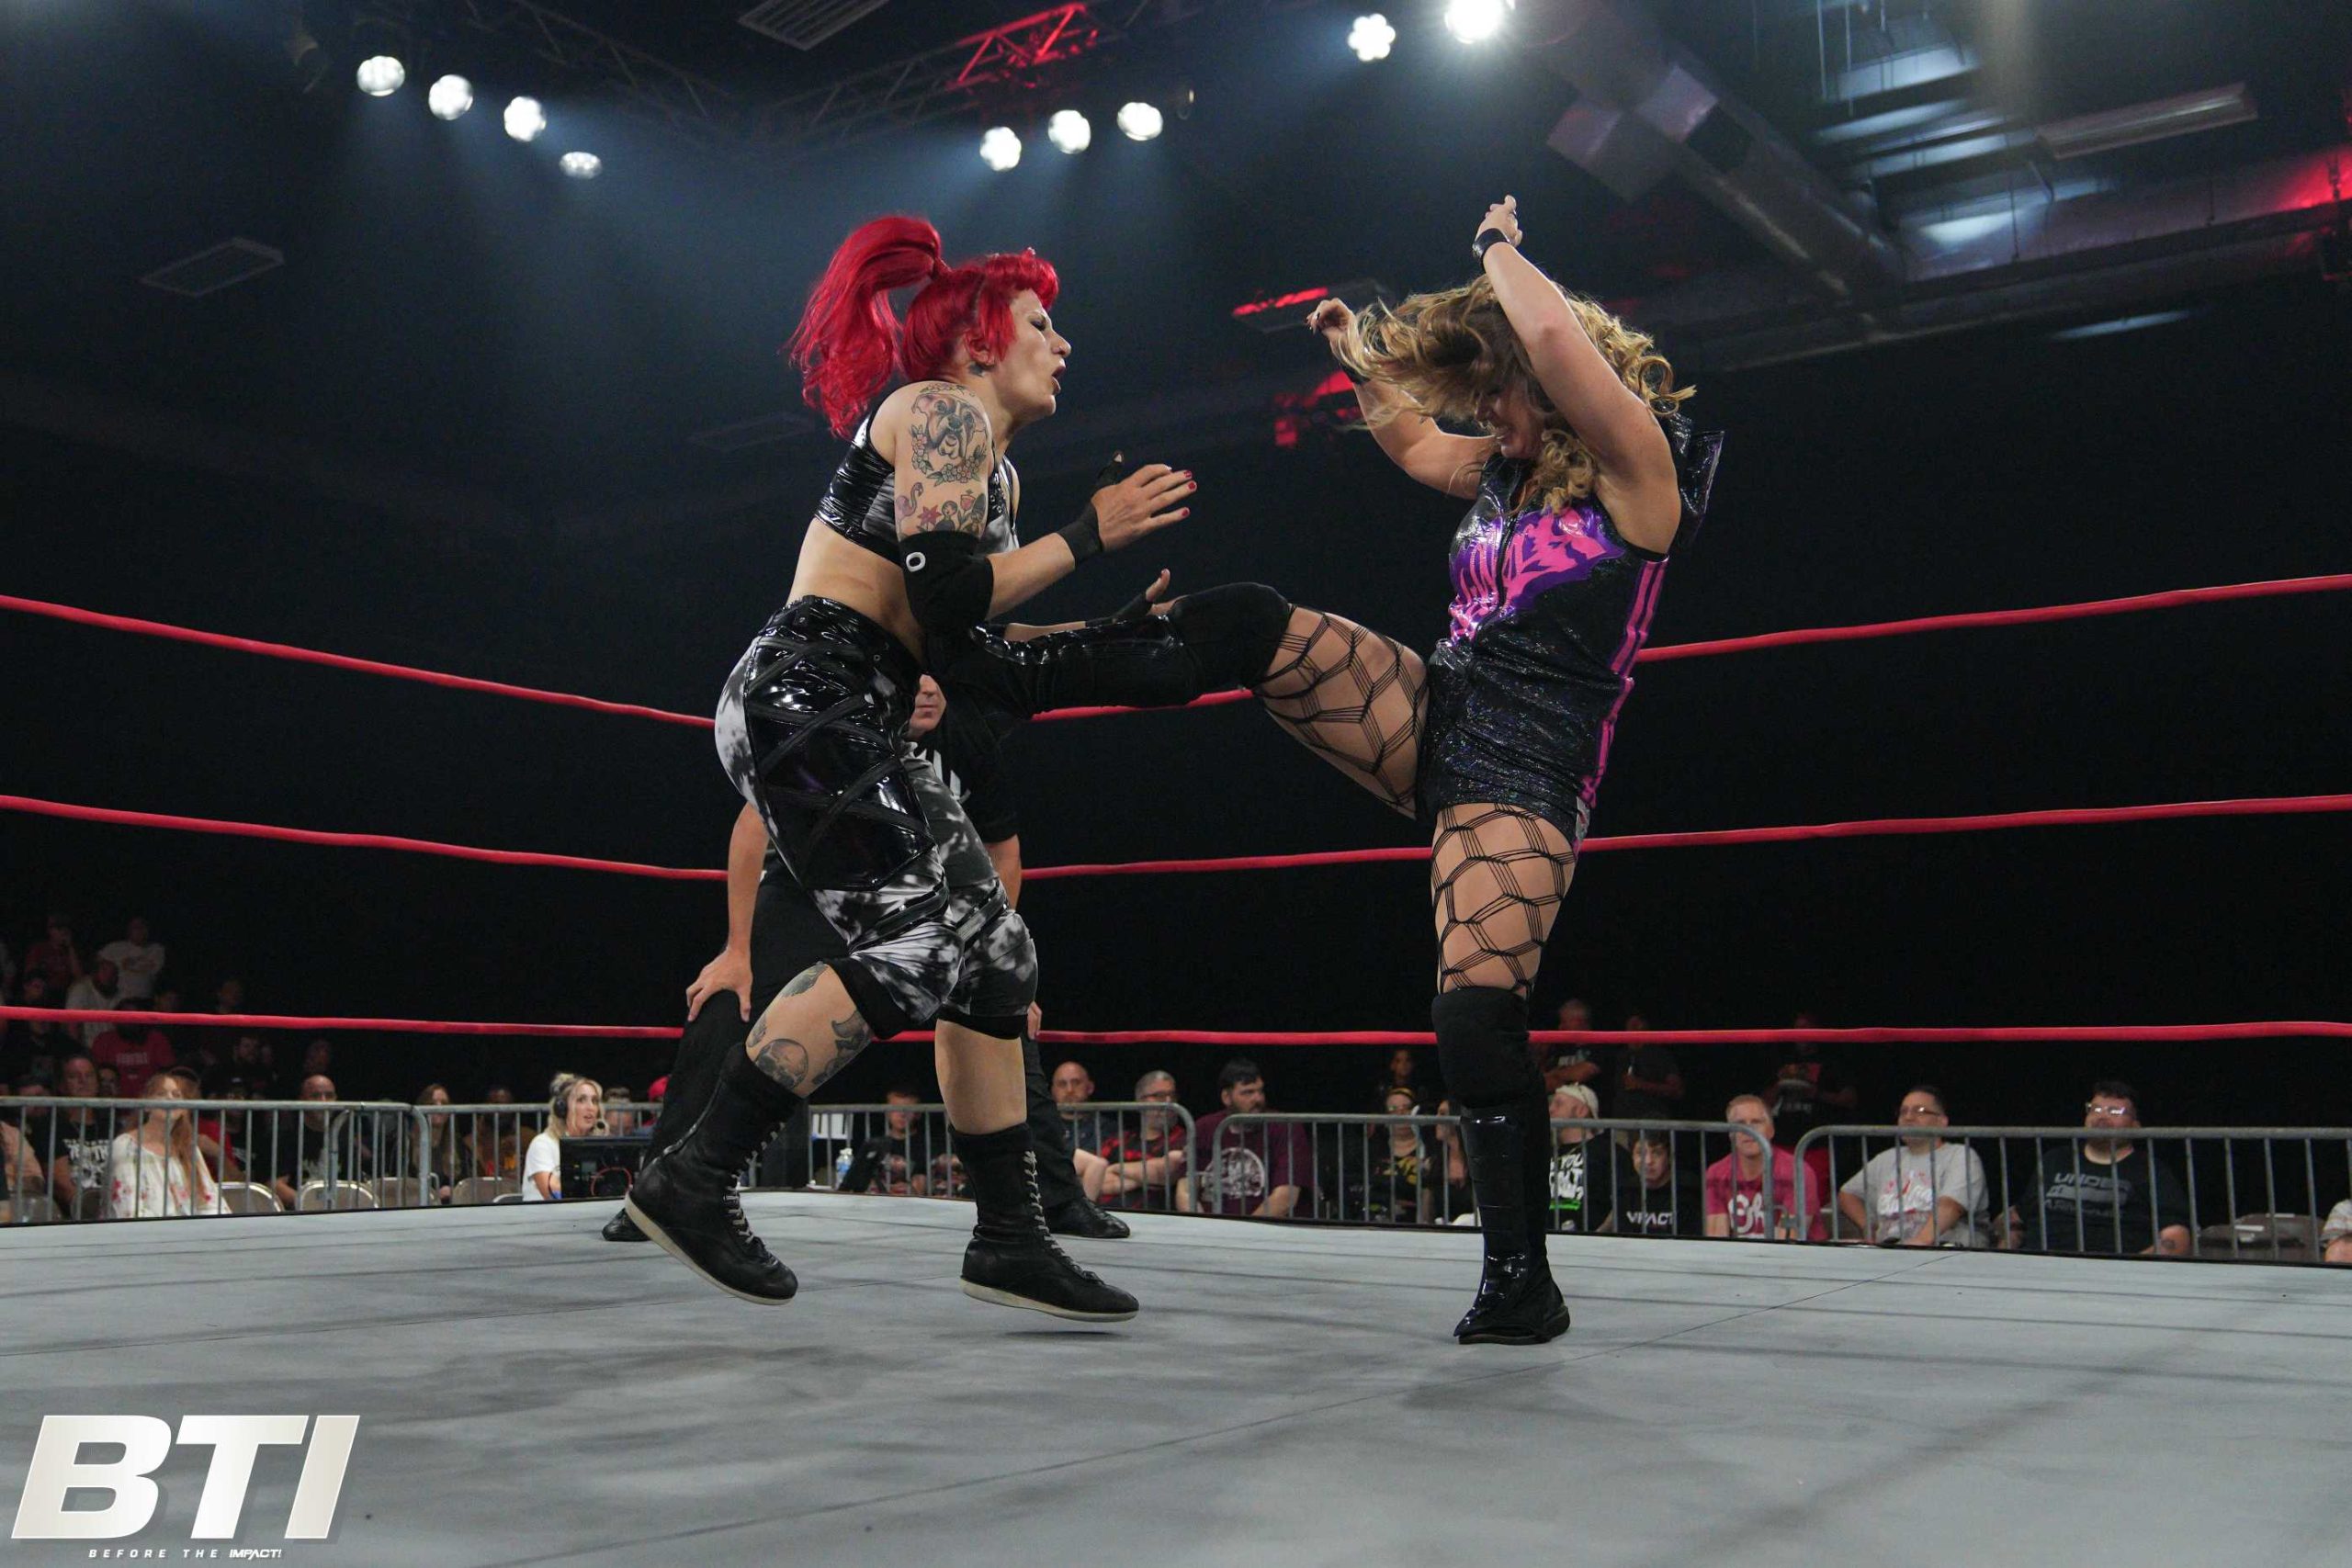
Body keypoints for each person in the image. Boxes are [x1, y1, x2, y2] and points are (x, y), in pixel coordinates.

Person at [626, 215, 1195, 1323]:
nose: (1062, 344)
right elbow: (942, 594)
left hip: (861, 712)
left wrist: (1109, 636)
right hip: (807, 693)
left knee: (997, 954)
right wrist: (1090, 534)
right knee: (926, 942)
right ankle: (694, 1173)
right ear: (980, 341)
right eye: (1040, 323)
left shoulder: (995, 480)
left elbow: (969, 644)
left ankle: (1011, 1239)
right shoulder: (938, 413)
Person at [1290, 194, 1719, 1340]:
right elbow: (1414, 444)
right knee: (1255, 630)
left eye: (1497, 389)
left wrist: (1496, 251)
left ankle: (1520, 1280)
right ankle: (1039, 672)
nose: (1484, 411)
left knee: (1473, 1015)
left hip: (1531, 757)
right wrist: (1356, 359)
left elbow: (1555, 342)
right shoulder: (1501, 471)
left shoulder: (1638, 470)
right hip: (1443, 714)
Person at [606, 675, 1128, 1242]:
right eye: (913, 674)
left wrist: (997, 958)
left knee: (1004, 1024)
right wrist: (736, 952)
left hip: (924, 901)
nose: (926, 688)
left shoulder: (968, 741)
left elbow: (1005, 854)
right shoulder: (839, 725)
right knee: (728, 1004)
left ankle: (1055, 1197)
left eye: (936, 675)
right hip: (812, 891)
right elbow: (752, 828)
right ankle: (661, 1192)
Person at [2007, 1081, 2194, 1258]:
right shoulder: (2056, 1159)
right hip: (2039, 1265)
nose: (2102, 1116)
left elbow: (2176, 1236)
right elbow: (2018, 1218)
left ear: (2135, 1125)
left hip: (2112, 1271)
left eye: (2115, 1111)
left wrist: (2130, 1269)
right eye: (2095, 1109)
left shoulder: (2151, 1170)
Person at [1835, 1087, 1988, 1247]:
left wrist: (1922, 1241)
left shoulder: (1959, 1155)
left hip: (1947, 1249)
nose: (1908, 1117)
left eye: (1920, 1111)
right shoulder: (1887, 1158)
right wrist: (1869, 1227)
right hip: (1892, 1248)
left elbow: (1951, 1206)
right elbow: (1848, 1193)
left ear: (1942, 1121)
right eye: (1903, 1112)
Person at [1183, 1058, 1312, 1219]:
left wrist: (1244, 1229)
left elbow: (1285, 1197)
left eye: (1260, 1091)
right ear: (1226, 1097)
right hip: (1210, 1228)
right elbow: (1185, 1190)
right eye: (1248, 1093)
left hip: (1265, 1229)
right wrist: (1201, 1226)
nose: (1258, 1099)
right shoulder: (1204, 1127)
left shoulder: (1284, 1127)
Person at [105, 1070, 228, 1219]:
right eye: (161, 1093)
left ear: (184, 1109)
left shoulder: (189, 1148)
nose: (169, 1098)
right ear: (147, 1105)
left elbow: (211, 1202)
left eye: (176, 1095)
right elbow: (129, 1210)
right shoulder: (125, 1146)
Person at [1704, 1096, 1815, 1241]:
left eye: (1756, 1122)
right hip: (1738, 1254)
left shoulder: (1797, 1171)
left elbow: (1789, 1241)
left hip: (1791, 1254)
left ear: (1771, 1130)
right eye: (1740, 1124)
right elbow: (1717, 1240)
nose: (1748, 1130)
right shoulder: (1716, 1173)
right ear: (1730, 1133)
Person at [1544, 1083, 1634, 1235]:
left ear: (1581, 1110)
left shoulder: (1608, 1151)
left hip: (1591, 1242)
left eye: (1558, 1104)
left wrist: (1598, 1235)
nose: (1550, 1109)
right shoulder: (1545, 1153)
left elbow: (1624, 1200)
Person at [1096, 1070, 1189, 1212]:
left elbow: (1166, 1171)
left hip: (1156, 1219)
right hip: (1108, 1215)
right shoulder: (1120, 1139)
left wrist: (1115, 1169)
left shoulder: (1182, 1137)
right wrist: (1144, 1178)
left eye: (1172, 1095)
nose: (1168, 1102)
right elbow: (1091, 1177)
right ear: (1140, 1101)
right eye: (1159, 1096)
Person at [523, 1073, 605, 1202]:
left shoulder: (598, 1146)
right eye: (581, 1100)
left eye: (594, 1101)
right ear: (562, 1108)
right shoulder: (542, 1144)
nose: (591, 1108)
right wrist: (597, 1190)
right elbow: (551, 1192)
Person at [1611, 1129, 1705, 1237]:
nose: (1648, 1161)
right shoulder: (1625, 1190)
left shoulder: (1688, 1189)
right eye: (1640, 1153)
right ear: (1632, 1156)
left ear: (1669, 1157)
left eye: (1657, 1153)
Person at [96, 916, 166, 1001]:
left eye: (142, 927)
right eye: (136, 927)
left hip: (145, 999)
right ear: (129, 931)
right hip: (120, 999)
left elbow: (157, 973)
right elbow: (97, 963)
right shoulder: (116, 948)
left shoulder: (157, 950)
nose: (140, 930)